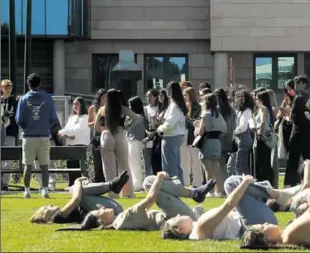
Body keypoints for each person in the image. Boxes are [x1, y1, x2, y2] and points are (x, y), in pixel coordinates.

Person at [67, 171, 215, 231]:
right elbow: (150, 199)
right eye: (99, 212)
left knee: (151, 182)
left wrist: (78, 184)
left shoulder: (120, 220)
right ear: (102, 222)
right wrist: (161, 177)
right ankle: (194, 193)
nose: (101, 208)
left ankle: (195, 193)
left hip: (177, 217)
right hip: (180, 220)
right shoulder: (123, 219)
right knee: (151, 182)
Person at [16, 73, 58, 199]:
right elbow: (53, 118)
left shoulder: (23, 99)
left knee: (28, 165)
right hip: (44, 135)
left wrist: (27, 126)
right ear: (40, 84)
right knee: (44, 164)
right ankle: (45, 190)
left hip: (29, 136)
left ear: (28, 84)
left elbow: (18, 119)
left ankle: (27, 191)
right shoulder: (48, 98)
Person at [30, 171, 129, 224]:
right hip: (110, 212)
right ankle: (111, 185)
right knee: (74, 190)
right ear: (46, 218)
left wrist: (83, 185)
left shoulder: (59, 216)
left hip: (112, 208)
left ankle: (112, 186)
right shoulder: (57, 218)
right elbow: (76, 199)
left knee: (76, 189)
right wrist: (77, 182)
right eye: (46, 208)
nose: (49, 205)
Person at [95, 89, 139, 198]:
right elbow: (136, 118)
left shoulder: (102, 110)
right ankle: (128, 193)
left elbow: (96, 126)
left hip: (106, 134)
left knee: (109, 167)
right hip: (120, 133)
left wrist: (103, 130)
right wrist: (127, 127)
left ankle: (112, 193)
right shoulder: (122, 109)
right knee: (124, 166)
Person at [285, 75, 310, 187]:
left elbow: (293, 115)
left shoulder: (298, 98)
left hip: (298, 131)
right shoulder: (309, 96)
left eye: (299, 83)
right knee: (308, 157)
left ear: (304, 84)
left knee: (293, 158)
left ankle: (291, 182)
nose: (296, 85)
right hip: (308, 130)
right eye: (295, 83)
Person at [195, 93, 227, 197]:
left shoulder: (205, 115)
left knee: (207, 168)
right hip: (217, 142)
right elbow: (224, 130)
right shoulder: (218, 114)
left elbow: (200, 132)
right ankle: (220, 190)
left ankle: (210, 191)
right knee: (215, 167)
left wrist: (196, 127)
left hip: (207, 142)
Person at [156, 81, 187, 184]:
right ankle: (180, 186)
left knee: (169, 165)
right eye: (167, 89)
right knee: (176, 164)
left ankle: (173, 188)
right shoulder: (176, 104)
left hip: (171, 136)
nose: (167, 91)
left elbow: (169, 124)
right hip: (177, 136)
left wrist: (160, 129)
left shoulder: (174, 105)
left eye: (169, 89)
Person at [58, 97, 90, 187]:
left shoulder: (85, 117)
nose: (75, 106)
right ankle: (72, 184)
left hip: (80, 144)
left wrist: (65, 133)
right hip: (70, 144)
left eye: (77, 104)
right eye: (74, 104)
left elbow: (76, 130)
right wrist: (61, 132)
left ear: (82, 105)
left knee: (79, 166)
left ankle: (80, 184)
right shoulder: (72, 117)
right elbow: (67, 128)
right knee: (70, 164)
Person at [229, 89, 255, 177]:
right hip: (240, 140)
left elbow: (243, 126)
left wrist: (233, 131)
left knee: (240, 165)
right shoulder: (241, 111)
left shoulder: (247, 111)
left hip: (243, 140)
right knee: (237, 164)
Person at [182, 86, 203, 187]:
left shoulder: (197, 107)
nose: (184, 96)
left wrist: (186, 118)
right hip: (185, 133)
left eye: (186, 94)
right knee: (185, 160)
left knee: (195, 160)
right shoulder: (184, 106)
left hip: (193, 134)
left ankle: (197, 182)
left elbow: (196, 122)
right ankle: (185, 181)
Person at [214, 88, 236, 181]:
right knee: (223, 163)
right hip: (229, 138)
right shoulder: (231, 109)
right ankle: (224, 182)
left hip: (220, 138)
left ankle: (222, 184)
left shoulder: (217, 110)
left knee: (219, 164)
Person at [126, 97, 147, 191]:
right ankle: (135, 183)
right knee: (132, 163)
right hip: (131, 141)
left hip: (135, 141)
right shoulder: (134, 116)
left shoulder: (138, 117)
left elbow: (129, 128)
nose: (129, 107)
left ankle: (137, 184)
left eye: (130, 105)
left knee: (135, 163)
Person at [1, 79, 19, 190]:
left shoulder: (14, 101)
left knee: (8, 160)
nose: (8, 89)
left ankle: (5, 183)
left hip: (10, 133)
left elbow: (15, 117)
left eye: (10, 87)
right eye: (5, 87)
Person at [88, 89, 107, 183]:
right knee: (97, 158)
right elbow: (89, 124)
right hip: (96, 135)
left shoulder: (109, 108)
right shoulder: (93, 108)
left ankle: (106, 178)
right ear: (99, 98)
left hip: (106, 134)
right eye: (103, 97)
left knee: (106, 158)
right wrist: (97, 121)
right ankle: (97, 178)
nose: (105, 99)